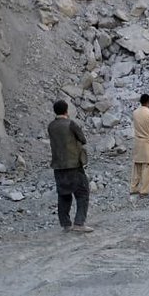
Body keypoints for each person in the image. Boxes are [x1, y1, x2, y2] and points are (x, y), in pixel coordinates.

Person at [48, 99, 92, 232]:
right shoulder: (71, 124)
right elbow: (83, 139)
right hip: (73, 165)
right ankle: (79, 223)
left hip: (58, 166)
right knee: (83, 193)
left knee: (63, 195)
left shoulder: (51, 126)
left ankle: (66, 224)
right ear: (67, 110)